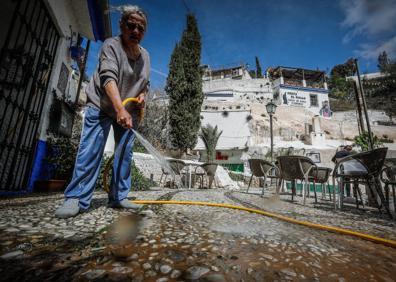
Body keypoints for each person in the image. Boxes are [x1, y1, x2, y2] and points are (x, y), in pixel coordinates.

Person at [55, 5, 150, 218]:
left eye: (141, 28)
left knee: (124, 154)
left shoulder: (146, 57)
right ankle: (77, 198)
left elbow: (145, 83)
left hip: (129, 110)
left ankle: (119, 197)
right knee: (91, 149)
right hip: (101, 105)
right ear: (122, 25)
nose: (136, 31)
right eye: (131, 25)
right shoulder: (111, 45)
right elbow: (108, 78)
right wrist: (119, 109)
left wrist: (143, 95)